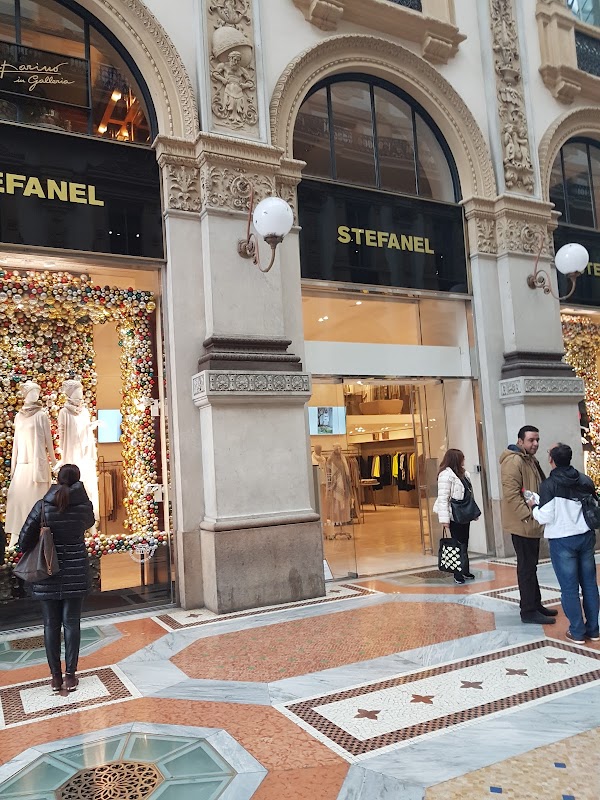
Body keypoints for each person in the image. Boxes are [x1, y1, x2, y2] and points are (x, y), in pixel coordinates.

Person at [18, 464, 95, 693]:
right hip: (75, 571)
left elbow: (23, 541)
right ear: (78, 481)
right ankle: (70, 676)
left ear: (58, 479)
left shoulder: (42, 505)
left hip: (47, 571)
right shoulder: (84, 506)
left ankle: (55, 678)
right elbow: (89, 523)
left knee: (51, 625)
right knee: (72, 623)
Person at [527, 443, 599, 645]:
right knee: (590, 585)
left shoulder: (549, 485)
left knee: (569, 589)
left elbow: (545, 516)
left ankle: (577, 632)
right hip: (585, 537)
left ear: (551, 460)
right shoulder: (584, 479)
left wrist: (534, 506)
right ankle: (594, 630)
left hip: (562, 540)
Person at [500, 425, 556, 625]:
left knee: (531, 566)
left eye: (537, 440)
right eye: (531, 440)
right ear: (520, 441)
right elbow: (511, 494)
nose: (535, 444)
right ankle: (528, 610)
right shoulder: (513, 461)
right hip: (522, 524)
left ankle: (535, 604)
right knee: (526, 568)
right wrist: (528, 516)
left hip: (532, 522)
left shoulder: (529, 459)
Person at [433, 448, 477, 585]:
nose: (464, 460)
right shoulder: (446, 475)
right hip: (454, 514)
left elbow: (469, 494)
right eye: (462, 458)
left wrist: (473, 512)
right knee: (456, 543)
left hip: (464, 513)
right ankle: (457, 573)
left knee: (464, 542)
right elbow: (443, 498)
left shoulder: (465, 474)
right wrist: (444, 520)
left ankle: (465, 569)